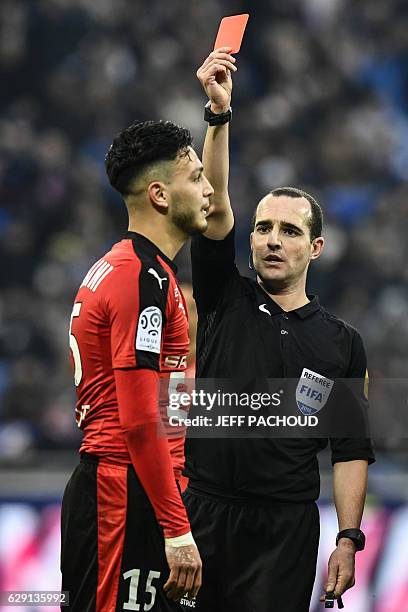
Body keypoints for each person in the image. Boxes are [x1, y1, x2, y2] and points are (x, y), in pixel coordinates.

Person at [181, 49, 375, 612]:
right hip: (204, 515)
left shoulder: (342, 343)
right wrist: (218, 118)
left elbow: (350, 449)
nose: (270, 239)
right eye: (263, 227)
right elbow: (214, 212)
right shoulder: (224, 297)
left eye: (288, 231)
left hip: (286, 530)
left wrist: (347, 538)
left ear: (315, 248)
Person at [61, 120, 214, 611]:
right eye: (195, 178)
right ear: (160, 195)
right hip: (118, 490)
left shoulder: (135, 268)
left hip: (133, 486)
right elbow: (140, 421)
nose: (208, 189)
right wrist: (176, 530)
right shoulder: (140, 278)